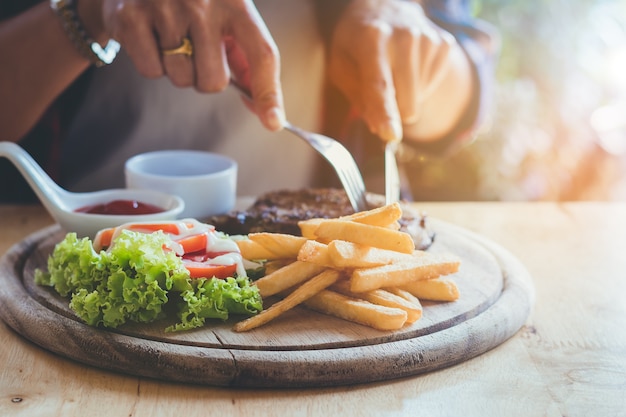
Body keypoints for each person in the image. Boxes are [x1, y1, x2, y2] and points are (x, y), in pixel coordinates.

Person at [0, 0, 497, 202]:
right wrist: (86, 11)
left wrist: (417, 44)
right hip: (58, 250)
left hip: (310, 284)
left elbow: (467, 101)